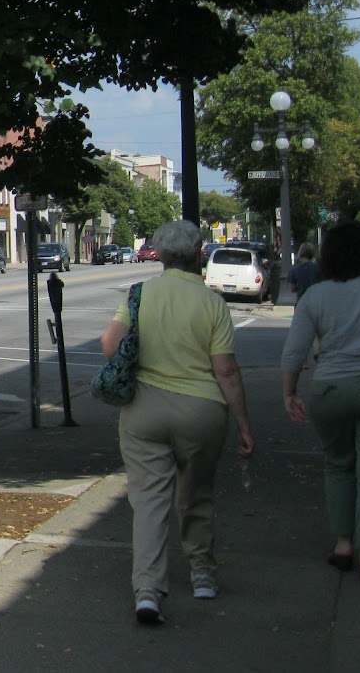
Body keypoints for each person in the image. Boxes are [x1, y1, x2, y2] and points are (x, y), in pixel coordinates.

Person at [100, 218, 256, 625]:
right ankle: (202, 574)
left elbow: (110, 344)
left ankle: (148, 591)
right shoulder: (212, 303)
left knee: (148, 501)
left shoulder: (140, 295)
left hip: (144, 410)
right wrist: (242, 424)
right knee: (196, 493)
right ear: (198, 253)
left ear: (161, 254)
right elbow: (225, 370)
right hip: (201, 410)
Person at [281, 220, 360, 583]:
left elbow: (294, 352)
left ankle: (343, 544)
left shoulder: (315, 296)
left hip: (330, 388)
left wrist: (289, 393)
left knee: (337, 464)